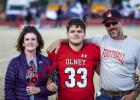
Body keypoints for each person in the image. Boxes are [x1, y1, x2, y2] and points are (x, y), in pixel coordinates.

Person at [47, 9, 140, 100]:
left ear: (122, 22)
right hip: (104, 95)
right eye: (108, 24)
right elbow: (78, 39)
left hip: (126, 95)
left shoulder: (136, 45)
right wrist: (60, 40)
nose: (111, 26)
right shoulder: (101, 40)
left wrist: (134, 94)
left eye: (114, 22)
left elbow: (79, 37)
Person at [47, 18, 100, 100]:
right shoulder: (58, 50)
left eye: (79, 31)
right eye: (72, 31)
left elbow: (103, 73)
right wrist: (49, 81)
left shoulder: (93, 50)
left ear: (84, 33)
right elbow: (48, 71)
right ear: (67, 34)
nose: (76, 34)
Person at [4, 26, 54, 100]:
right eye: (27, 39)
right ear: (23, 43)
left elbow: (55, 85)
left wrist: (39, 90)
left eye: (33, 39)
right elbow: (9, 89)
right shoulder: (14, 63)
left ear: (37, 43)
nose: (30, 42)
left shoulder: (46, 62)